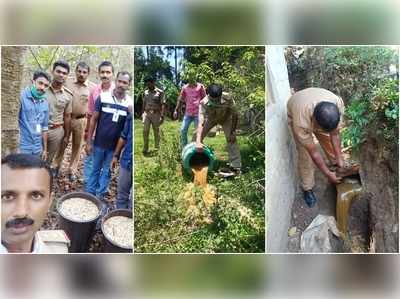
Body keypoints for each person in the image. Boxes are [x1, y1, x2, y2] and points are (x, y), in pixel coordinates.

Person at [287, 87, 345, 207]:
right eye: (318, 128)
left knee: (328, 140)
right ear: (314, 122)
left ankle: (336, 166)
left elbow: (335, 134)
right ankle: (307, 188)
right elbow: (314, 152)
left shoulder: (337, 104)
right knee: (305, 155)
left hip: (315, 106)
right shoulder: (301, 122)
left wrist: (340, 159)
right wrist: (327, 174)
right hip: (297, 108)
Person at [1, 154, 69, 253]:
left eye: (36, 196)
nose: (21, 212)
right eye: (7, 197)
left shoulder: (60, 250)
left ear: (49, 202)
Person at [85, 71, 133, 201]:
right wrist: (89, 142)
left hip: (114, 148)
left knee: (107, 172)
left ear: (129, 85)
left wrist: (118, 153)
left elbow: (126, 131)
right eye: (120, 81)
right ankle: (89, 196)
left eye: (125, 83)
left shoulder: (129, 105)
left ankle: (99, 198)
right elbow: (93, 119)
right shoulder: (103, 97)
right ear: (115, 81)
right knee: (95, 169)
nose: (121, 85)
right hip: (99, 143)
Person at [53, 62, 96, 182]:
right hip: (65, 118)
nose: (81, 74)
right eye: (79, 71)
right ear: (76, 71)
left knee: (77, 146)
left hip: (81, 120)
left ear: (88, 74)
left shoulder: (93, 88)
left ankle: (72, 169)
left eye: (84, 72)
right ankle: (56, 166)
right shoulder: (67, 82)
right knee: (62, 142)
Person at [195, 83, 242, 174]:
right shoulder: (203, 103)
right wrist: (198, 141)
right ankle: (195, 160)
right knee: (196, 137)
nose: (216, 102)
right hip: (211, 119)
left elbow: (235, 115)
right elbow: (201, 122)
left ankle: (236, 167)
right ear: (208, 95)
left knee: (232, 140)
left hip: (226, 119)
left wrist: (232, 132)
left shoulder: (228, 98)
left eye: (217, 99)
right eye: (213, 100)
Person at [83, 61, 115, 190]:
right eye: (102, 72)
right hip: (95, 133)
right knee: (90, 160)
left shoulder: (116, 91)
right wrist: (87, 137)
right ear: (98, 73)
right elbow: (90, 114)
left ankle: (101, 189)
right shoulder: (94, 91)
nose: (105, 75)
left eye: (108, 72)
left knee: (106, 164)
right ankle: (89, 186)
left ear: (112, 74)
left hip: (110, 136)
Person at [45, 60, 73, 176]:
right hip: (38, 129)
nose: (61, 75)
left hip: (56, 130)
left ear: (67, 76)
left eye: (64, 73)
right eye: (59, 71)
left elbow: (67, 116)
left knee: (48, 160)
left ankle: (43, 181)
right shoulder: (42, 89)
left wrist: (66, 136)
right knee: (34, 157)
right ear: (53, 71)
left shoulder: (68, 95)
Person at [18, 70, 51, 159]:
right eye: (40, 83)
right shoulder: (21, 97)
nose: (42, 87)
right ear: (33, 81)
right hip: (22, 146)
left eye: (46, 86)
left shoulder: (45, 103)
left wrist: (44, 149)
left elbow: (44, 127)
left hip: (37, 147)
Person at [173, 69, 206, 146]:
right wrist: (176, 110)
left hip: (198, 113)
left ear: (194, 77)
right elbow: (180, 99)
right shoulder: (185, 88)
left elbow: (205, 99)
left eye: (192, 78)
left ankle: (198, 146)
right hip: (188, 113)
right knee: (183, 130)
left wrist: (206, 112)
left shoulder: (200, 87)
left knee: (198, 132)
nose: (190, 80)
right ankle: (184, 147)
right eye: (189, 78)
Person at [111, 113, 132, 209]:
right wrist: (116, 155)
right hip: (126, 160)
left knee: (132, 201)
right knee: (121, 196)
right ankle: (120, 216)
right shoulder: (131, 117)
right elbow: (123, 137)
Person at [141, 76, 166, 155]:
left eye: (149, 84)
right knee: (145, 130)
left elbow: (163, 104)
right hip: (147, 114)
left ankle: (158, 147)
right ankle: (145, 148)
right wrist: (142, 113)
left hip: (156, 114)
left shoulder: (160, 92)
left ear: (153, 83)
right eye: (147, 84)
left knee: (156, 131)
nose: (148, 86)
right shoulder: (145, 92)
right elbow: (144, 103)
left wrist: (162, 116)